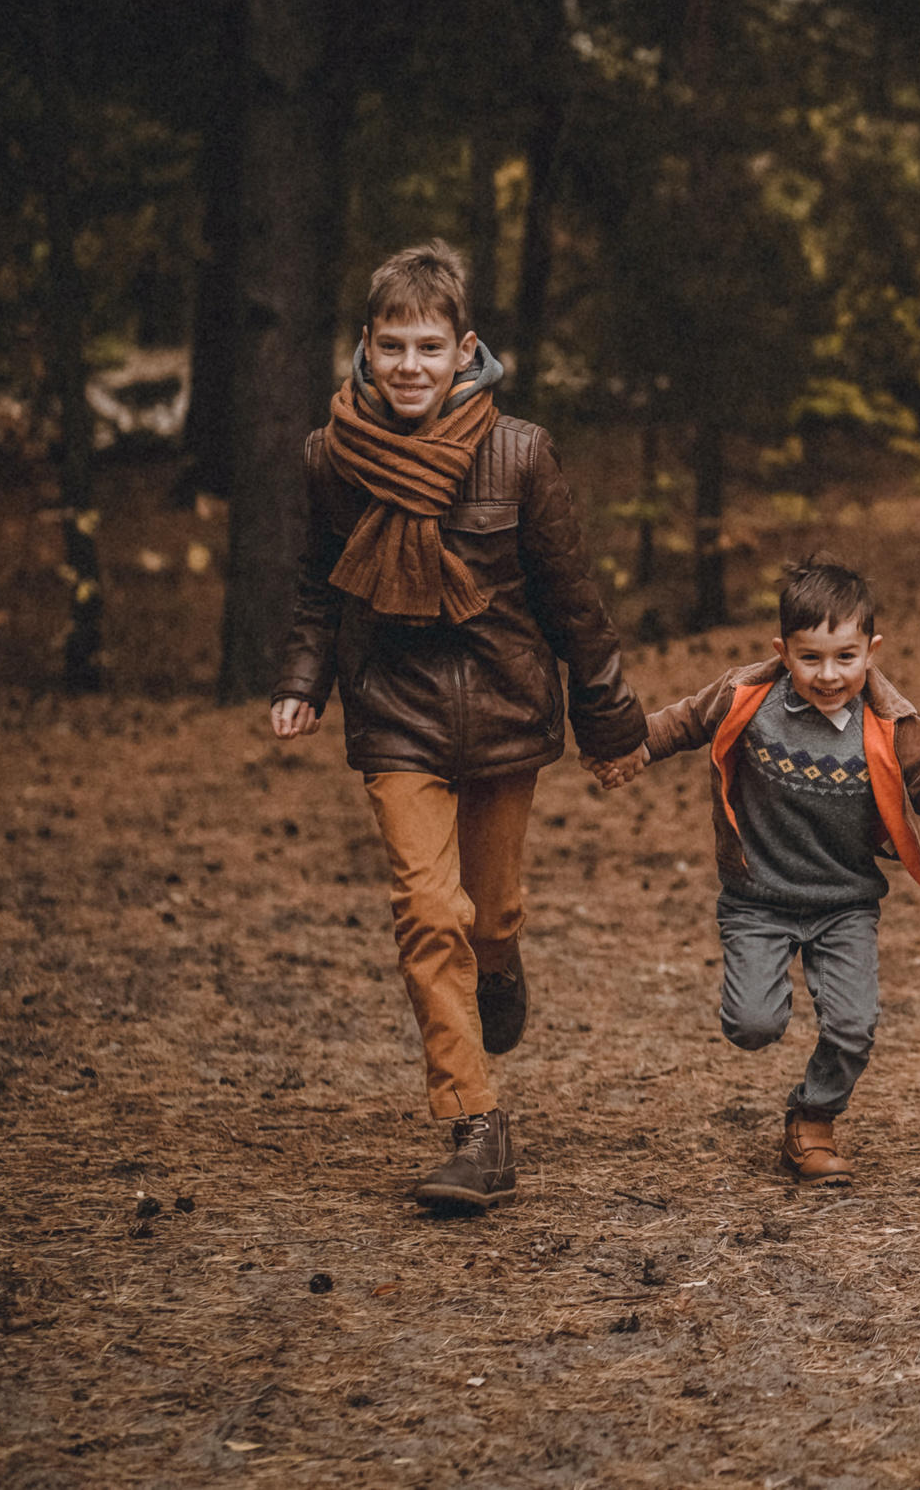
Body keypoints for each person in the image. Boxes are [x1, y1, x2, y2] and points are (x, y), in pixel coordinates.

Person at [270, 240, 644, 1211]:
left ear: (463, 348)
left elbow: (573, 599)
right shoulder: (330, 457)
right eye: (391, 344)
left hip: (506, 709)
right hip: (393, 712)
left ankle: (502, 958)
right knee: (428, 913)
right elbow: (318, 585)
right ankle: (475, 1123)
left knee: (490, 910)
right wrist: (304, 679)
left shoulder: (517, 451)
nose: (407, 364)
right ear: (365, 347)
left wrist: (610, 725)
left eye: (427, 345)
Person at [591, 560, 920, 1186]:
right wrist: (632, 748)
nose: (829, 675)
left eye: (846, 657)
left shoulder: (888, 723)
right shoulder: (749, 696)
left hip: (844, 904)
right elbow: (686, 720)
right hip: (757, 899)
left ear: (871, 651)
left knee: (853, 1027)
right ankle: (763, 1016)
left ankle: (814, 1118)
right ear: (783, 651)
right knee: (753, 1026)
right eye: (811, 658)